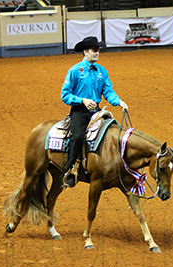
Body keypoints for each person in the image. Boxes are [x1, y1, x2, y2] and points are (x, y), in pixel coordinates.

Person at [61, 36, 129, 188]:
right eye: (94, 50)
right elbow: (65, 95)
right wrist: (82, 100)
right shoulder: (74, 71)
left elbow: (108, 91)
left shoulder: (102, 71)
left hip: (96, 111)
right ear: (85, 52)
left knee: (113, 131)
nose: (97, 53)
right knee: (77, 136)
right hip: (79, 111)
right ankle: (71, 170)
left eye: (98, 51)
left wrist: (119, 102)